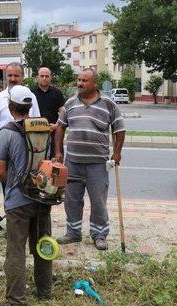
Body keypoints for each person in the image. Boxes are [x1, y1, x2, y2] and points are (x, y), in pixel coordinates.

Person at [0, 85, 52, 306]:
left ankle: (17, 302)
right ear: (29, 107)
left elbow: (0, 170)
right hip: (42, 197)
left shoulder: (6, 132)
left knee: (16, 250)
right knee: (42, 245)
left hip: (18, 202)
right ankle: (44, 291)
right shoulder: (43, 129)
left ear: (10, 107)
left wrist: (14, 186)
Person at [54, 68, 126, 251]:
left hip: (98, 163)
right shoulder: (70, 103)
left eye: (84, 80)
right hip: (73, 162)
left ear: (94, 84)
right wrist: (58, 152)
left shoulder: (108, 104)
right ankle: (73, 232)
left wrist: (117, 153)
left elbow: (119, 130)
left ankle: (99, 234)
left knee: (98, 200)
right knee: (72, 199)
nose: (80, 83)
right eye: (78, 80)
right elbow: (60, 128)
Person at [0, 62, 40, 140]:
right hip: (5, 148)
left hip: (29, 146)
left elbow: (37, 120)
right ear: (6, 76)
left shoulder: (31, 97)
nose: (13, 79)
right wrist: (1, 139)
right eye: (10, 75)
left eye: (16, 76)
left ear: (22, 77)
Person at [31, 67, 65, 158]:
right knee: (37, 160)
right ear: (37, 77)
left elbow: (63, 112)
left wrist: (57, 125)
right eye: (42, 76)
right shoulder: (31, 93)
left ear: (50, 77)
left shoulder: (57, 93)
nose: (44, 78)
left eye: (47, 76)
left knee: (54, 160)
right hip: (35, 132)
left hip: (53, 132)